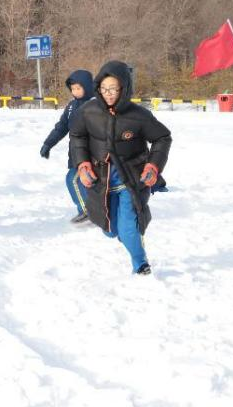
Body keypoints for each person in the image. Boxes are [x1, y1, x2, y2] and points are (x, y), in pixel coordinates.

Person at [69, 61, 171, 275]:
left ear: (124, 88)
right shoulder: (88, 111)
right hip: (100, 181)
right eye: (104, 89)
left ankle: (140, 263)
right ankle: (127, 233)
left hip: (131, 180)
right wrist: (82, 162)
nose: (108, 94)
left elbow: (162, 137)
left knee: (127, 227)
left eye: (114, 89)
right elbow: (77, 135)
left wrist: (153, 165)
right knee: (110, 230)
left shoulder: (139, 115)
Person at [40, 69, 96, 223]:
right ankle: (95, 210)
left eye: (78, 88)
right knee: (83, 182)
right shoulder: (71, 106)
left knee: (73, 179)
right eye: (73, 89)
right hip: (76, 154)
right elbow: (61, 127)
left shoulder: (96, 105)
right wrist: (48, 143)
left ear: (88, 87)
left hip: (92, 155)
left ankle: (87, 211)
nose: (75, 92)